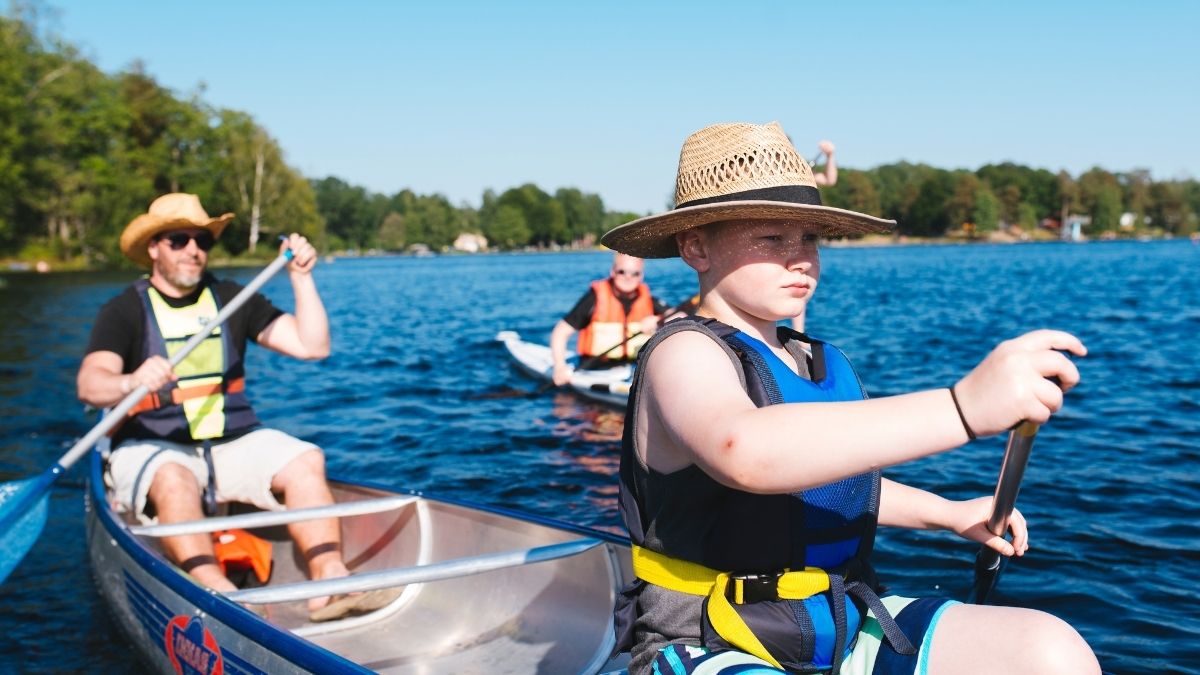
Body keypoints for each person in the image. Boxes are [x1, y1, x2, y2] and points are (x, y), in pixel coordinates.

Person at [600, 123, 1099, 675]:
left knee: (1050, 651)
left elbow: (834, 487)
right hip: (705, 640)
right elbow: (745, 451)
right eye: (771, 239)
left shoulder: (813, 358)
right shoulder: (683, 352)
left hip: (836, 621)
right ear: (696, 247)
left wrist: (951, 515)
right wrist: (962, 409)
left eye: (810, 239)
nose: (800, 259)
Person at [77, 193, 391, 622]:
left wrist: (302, 278)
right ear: (153, 248)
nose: (193, 250)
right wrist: (131, 380)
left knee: (305, 459)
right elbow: (90, 384)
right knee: (174, 478)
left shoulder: (231, 298)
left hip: (230, 442)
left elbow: (312, 346)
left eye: (202, 240)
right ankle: (219, 593)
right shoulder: (124, 311)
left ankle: (330, 581)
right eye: (179, 240)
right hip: (154, 444)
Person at [549, 252, 677, 386]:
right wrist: (559, 366)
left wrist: (659, 320)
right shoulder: (594, 299)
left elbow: (681, 318)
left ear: (641, 276)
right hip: (596, 369)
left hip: (635, 368)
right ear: (613, 272)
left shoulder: (649, 300)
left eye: (635, 273)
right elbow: (561, 332)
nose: (628, 277)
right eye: (622, 272)